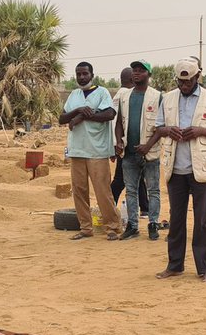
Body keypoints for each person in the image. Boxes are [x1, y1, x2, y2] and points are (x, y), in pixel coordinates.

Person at [145, 57, 206, 282]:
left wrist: (200, 131)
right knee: (176, 219)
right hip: (175, 168)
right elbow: (159, 127)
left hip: (201, 169)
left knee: (203, 220)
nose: (184, 86)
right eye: (180, 82)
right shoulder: (169, 98)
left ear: (197, 78)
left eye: (188, 82)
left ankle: (204, 268)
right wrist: (168, 130)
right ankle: (175, 265)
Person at [58, 61, 123, 241]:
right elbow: (62, 118)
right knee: (79, 191)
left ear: (92, 75)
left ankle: (112, 227)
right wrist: (78, 110)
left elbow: (109, 114)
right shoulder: (74, 94)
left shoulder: (102, 93)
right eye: (78, 74)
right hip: (77, 150)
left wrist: (80, 118)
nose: (81, 77)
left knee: (103, 191)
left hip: (97, 151)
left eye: (85, 74)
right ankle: (85, 228)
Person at [114, 60, 164, 240]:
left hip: (150, 153)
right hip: (129, 152)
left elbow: (162, 126)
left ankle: (153, 224)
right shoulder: (125, 96)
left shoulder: (157, 96)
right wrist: (119, 141)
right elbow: (119, 122)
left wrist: (148, 146)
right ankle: (133, 226)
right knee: (131, 190)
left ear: (149, 75)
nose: (136, 73)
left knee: (153, 190)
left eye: (141, 71)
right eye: (134, 70)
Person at [110, 67, 134, 207]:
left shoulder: (117, 96)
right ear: (132, 79)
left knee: (138, 176)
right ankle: (109, 204)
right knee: (120, 179)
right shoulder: (128, 95)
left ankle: (145, 207)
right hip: (123, 144)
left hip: (116, 142)